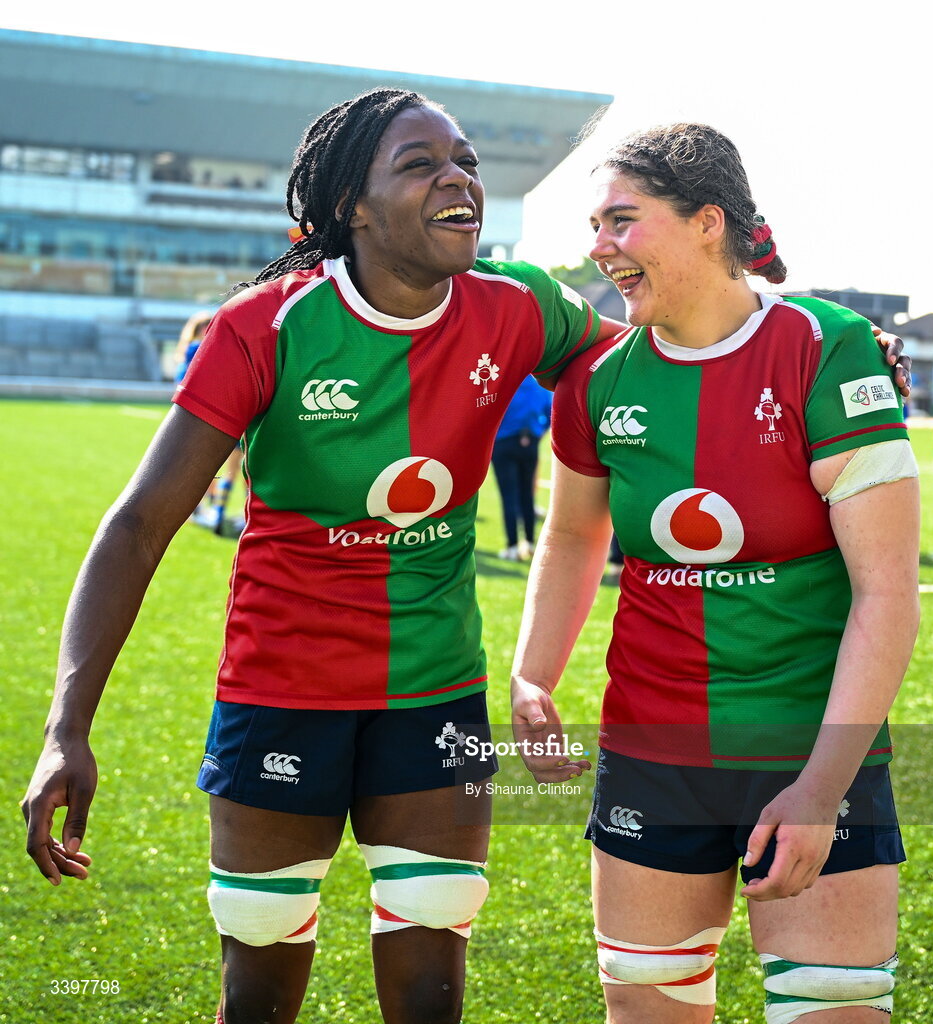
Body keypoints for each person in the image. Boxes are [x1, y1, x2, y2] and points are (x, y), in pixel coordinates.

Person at [21, 88, 624, 1024]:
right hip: (280, 695)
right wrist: (67, 727)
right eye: (419, 164)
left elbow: (648, 366)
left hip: (436, 693)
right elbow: (139, 524)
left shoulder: (519, 306)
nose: (456, 177)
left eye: (463, 159)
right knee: (258, 987)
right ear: (353, 206)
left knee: (430, 984)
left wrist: (814, 351)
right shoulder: (265, 329)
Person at [510, 122, 920, 1024]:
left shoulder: (829, 348)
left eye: (622, 220)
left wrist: (821, 788)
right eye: (594, 225)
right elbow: (574, 535)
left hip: (812, 752)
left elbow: (888, 593)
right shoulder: (596, 383)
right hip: (651, 755)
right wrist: (533, 672)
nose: (600, 246)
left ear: (706, 222)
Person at [175, 309, 245, 535]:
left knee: (215, 469)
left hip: (200, 419)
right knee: (232, 470)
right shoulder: (200, 349)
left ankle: (213, 511)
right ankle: (219, 513)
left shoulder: (188, 351)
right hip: (215, 418)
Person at [491, 374, 552, 560]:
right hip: (530, 442)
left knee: (508, 495)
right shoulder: (539, 384)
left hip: (503, 441)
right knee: (528, 495)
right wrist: (537, 433)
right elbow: (551, 413)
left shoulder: (505, 380)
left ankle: (512, 547)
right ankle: (531, 543)